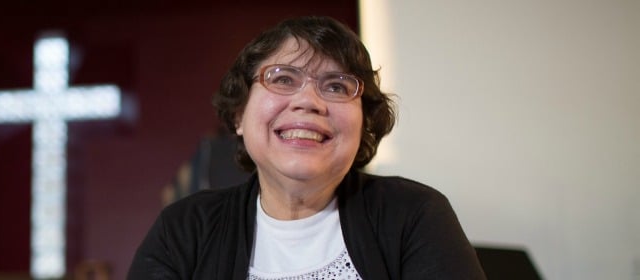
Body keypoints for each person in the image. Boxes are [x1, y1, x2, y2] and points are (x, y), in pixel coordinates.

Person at [128, 16, 485, 279]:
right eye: (283, 78)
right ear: (239, 115)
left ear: (363, 122)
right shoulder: (184, 229)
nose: (309, 101)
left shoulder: (415, 215)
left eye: (336, 86)